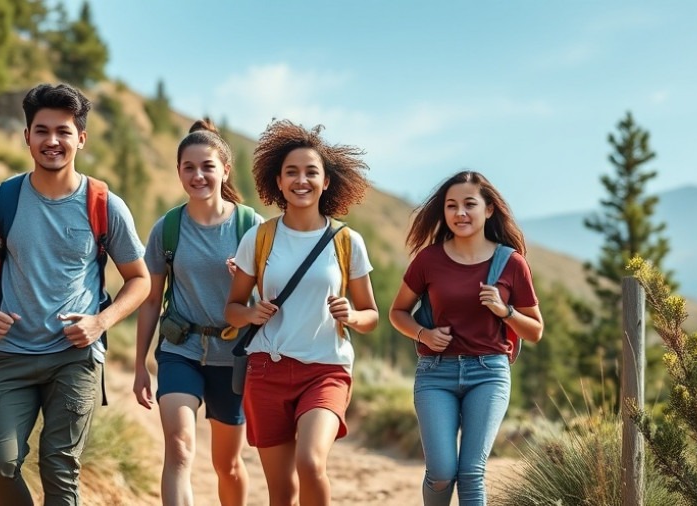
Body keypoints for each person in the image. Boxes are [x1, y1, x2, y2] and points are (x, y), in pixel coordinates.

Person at [0, 83, 150, 506]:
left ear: (81, 138)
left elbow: (140, 280)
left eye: (63, 131)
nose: (52, 141)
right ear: (26, 136)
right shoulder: (1, 200)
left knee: (60, 469)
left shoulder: (105, 204)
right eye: (41, 130)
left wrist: (100, 322)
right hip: (12, 353)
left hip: (75, 357)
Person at [224, 119, 379, 506]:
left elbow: (371, 315)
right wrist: (251, 314)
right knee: (282, 493)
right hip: (266, 371)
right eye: (291, 172)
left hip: (325, 370)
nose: (301, 180)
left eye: (311, 172)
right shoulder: (258, 238)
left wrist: (352, 315)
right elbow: (231, 310)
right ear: (278, 181)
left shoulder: (346, 241)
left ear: (326, 181)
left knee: (311, 463)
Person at [388, 170, 544, 505]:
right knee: (442, 472)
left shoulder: (511, 263)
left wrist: (505, 311)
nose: (460, 213)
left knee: (472, 472)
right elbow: (397, 312)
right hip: (435, 375)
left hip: (489, 373)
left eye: (469, 204)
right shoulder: (429, 259)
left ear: (488, 209)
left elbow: (535, 329)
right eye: (451, 206)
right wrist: (423, 334)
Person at [133, 119, 261, 506]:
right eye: (189, 167)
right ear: (178, 172)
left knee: (229, 465)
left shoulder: (249, 225)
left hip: (233, 356)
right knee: (180, 448)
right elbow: (152, 300)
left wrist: (248, 281)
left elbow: (270, 297)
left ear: (225, 170)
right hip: (180, 350)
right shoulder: (167, 229)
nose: (198, 175)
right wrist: (140, 363)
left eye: (207, 166)